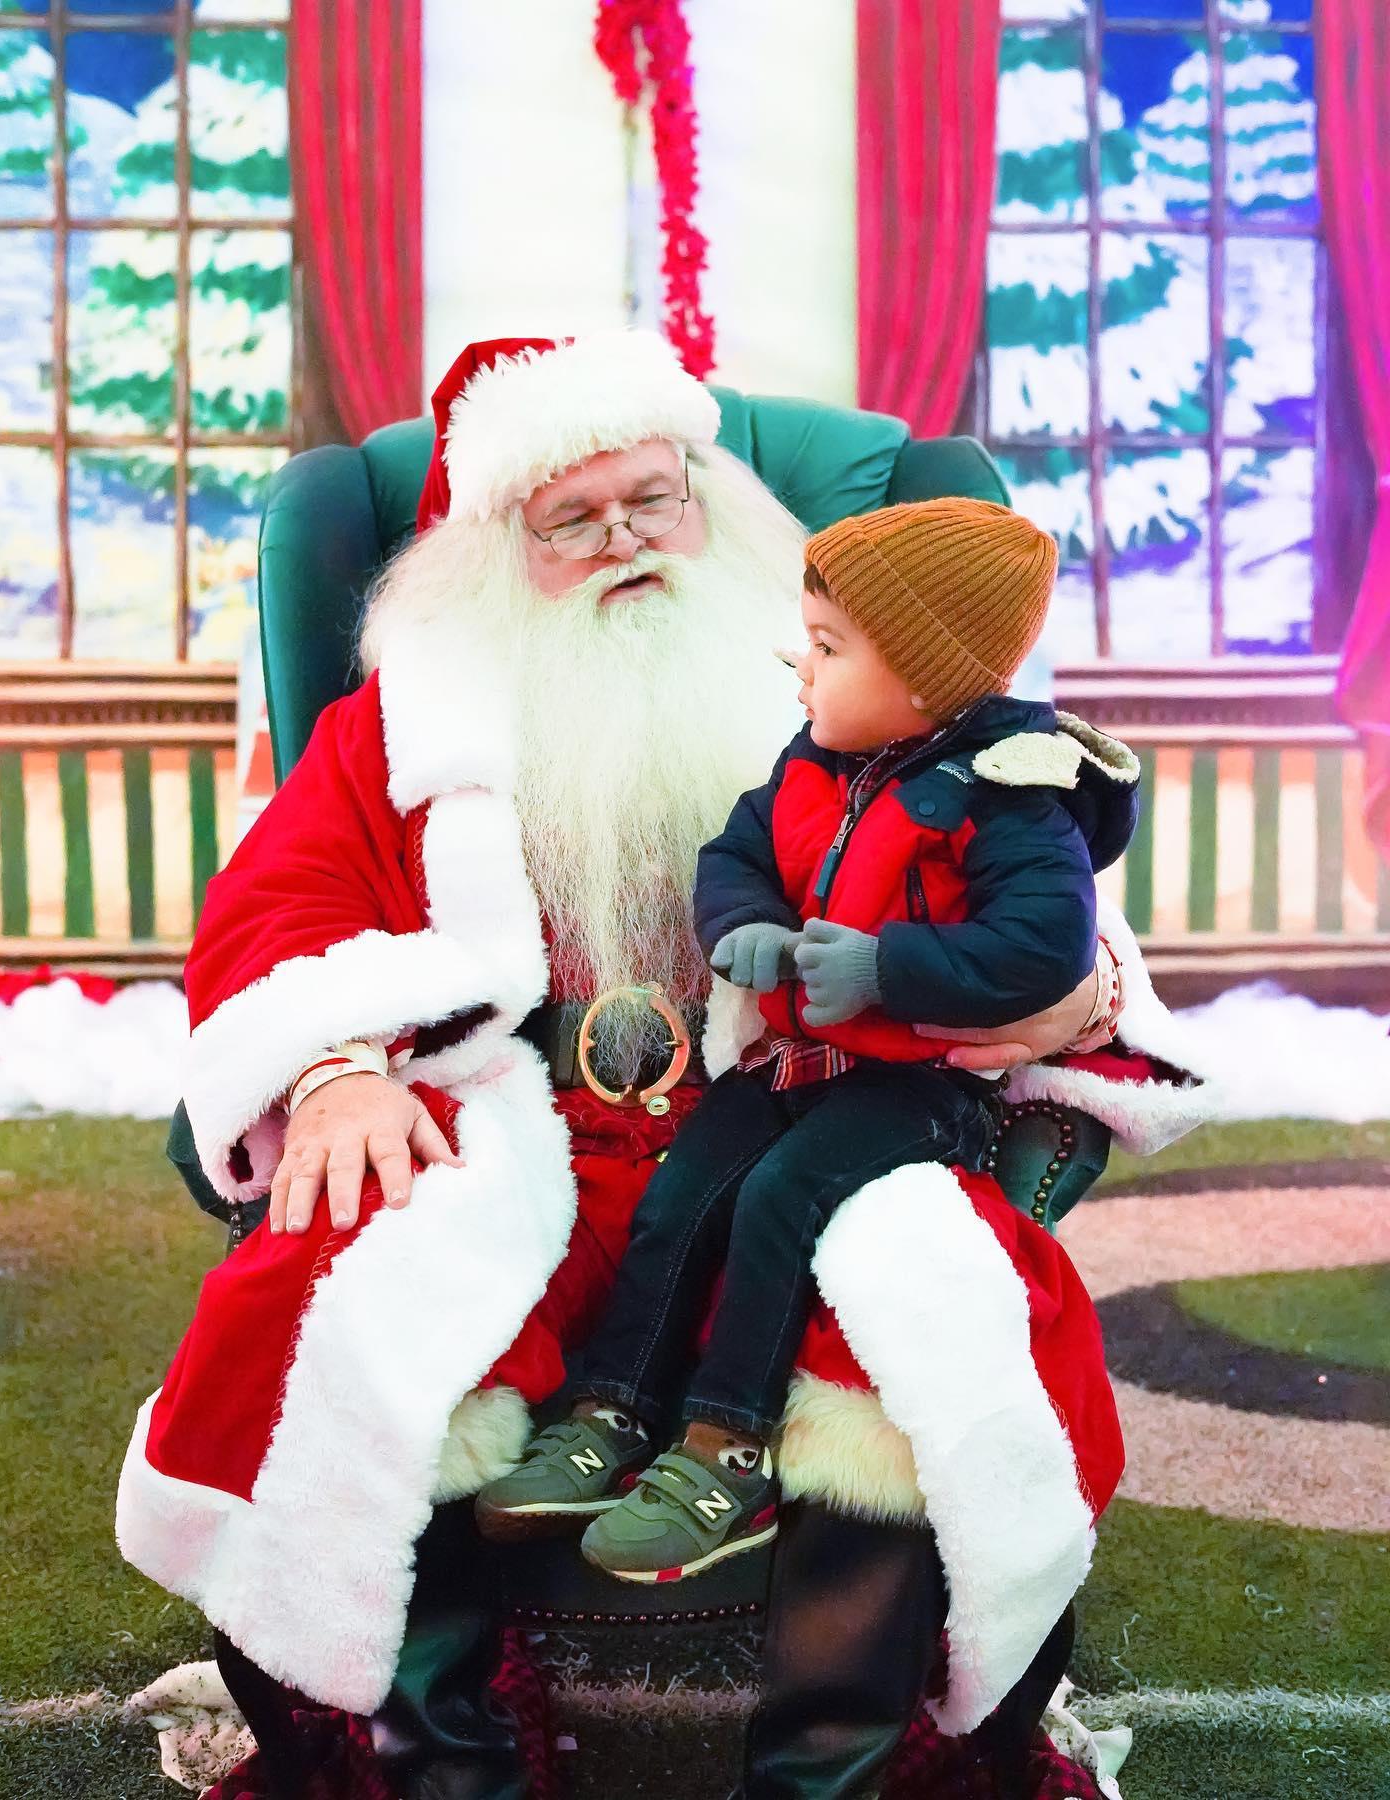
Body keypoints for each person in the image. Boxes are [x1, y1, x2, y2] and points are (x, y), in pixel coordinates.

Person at [117, 330, 1202, 1800]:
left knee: (938, 1295)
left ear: (711, 498)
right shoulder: (404, 725)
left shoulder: (850, 697)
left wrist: (1068, 1001)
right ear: (499, 548)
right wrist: (335, 1071)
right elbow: (280, 912)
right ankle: (425, 1766)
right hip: (509, 1128)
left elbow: (1037, 905)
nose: (629, 540)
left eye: (656, 498)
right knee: (328, 1287)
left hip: (780, 1118)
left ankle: (843, 1770)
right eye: (574, 520)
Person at [473, 496, 1140, 1590]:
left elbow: (1041, 947)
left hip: (915, 1086)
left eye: (828, 646)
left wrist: (889, 968)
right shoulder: (823, 755)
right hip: (792, 1063)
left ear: (923, 677)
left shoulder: (1017, 796)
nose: (801, 662)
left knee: (781, 1201)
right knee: (685, 1190)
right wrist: (740, 926)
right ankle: (612, 1409)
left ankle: (724, 1453)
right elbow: (733, 849)